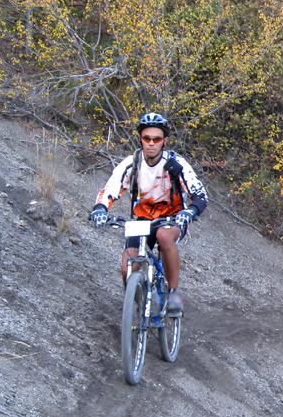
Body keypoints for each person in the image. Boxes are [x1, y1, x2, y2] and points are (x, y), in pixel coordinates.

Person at [89, 113, 208, 316]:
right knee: (127, 267)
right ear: (140, 139)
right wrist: (100, 208)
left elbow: (200, 194)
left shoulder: (175, 163)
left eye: (156, 139)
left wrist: (190, 211)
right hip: (143, 219)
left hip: (172, 218)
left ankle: (173, 292)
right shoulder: (132, 163)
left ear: (164, 141)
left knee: (163, 236)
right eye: (147, 139)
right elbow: (111, 188)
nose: (151, 143)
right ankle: (135, 305)